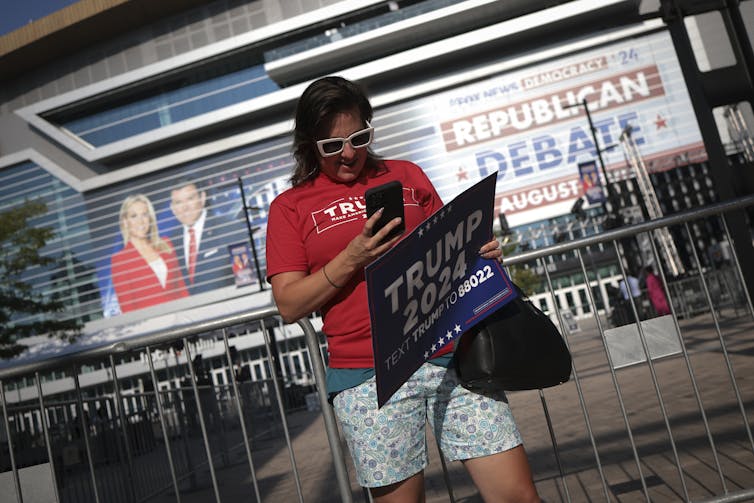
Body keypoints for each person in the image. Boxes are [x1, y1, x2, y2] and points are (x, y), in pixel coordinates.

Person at [265, 76, 539, 503]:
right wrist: (352, 257)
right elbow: (287, 303)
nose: (350, 154)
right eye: (332, 146)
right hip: (368, 377)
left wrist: (480, 251)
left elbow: (453, 251)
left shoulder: (407, 175)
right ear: (309, 145)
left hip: (452, 357)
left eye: (358, 137)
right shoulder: (290, 208)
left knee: (519, 497)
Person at [111, 194, 188, 313]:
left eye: (144, 214)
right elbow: (128, 310)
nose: (140, 221)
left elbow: (181, 289)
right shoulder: (120, 260)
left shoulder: (166, 245)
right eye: (134, 216)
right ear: (125, 222)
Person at [169, 178, 238, 294]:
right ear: (172, 208)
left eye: (190, 199)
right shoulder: (171, 242)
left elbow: (246, 278)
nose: (185, 207)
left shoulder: (229, 229)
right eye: (178, 202)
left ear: (202, 198)